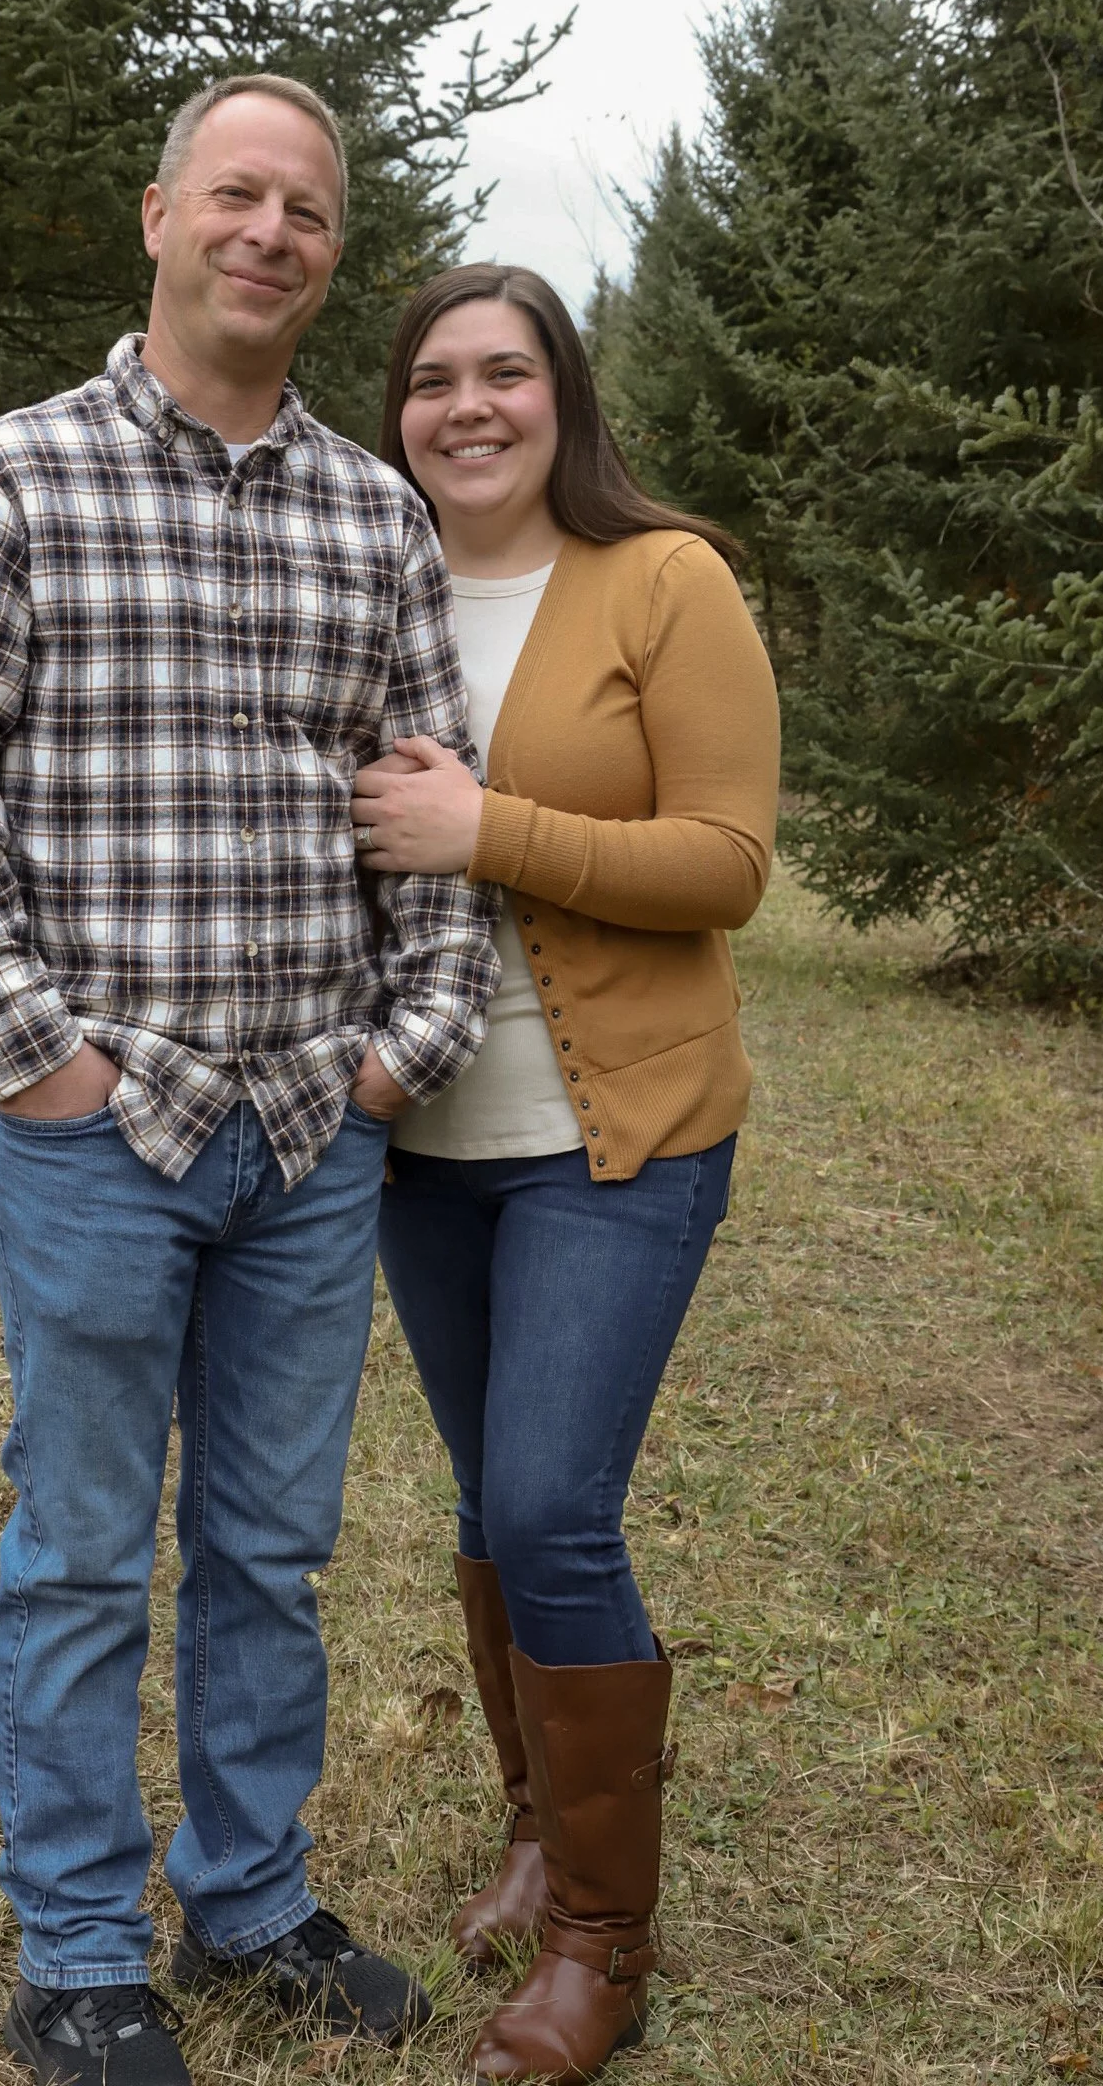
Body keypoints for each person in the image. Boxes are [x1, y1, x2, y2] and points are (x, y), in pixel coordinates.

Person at [0, 78, 501, 2086]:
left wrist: (401, 1058)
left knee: (265, 1549)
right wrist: (30, 1054)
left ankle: (242, 1899)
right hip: (94, 1133)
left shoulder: (367, 515)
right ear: (158, 215)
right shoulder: (8, 483)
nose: (269, 231)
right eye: (236, 192)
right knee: (73, 1545)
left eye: (305, 208)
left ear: (327, 254)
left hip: (310, 1133)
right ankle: (76, 1951)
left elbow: (431, 812)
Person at [350, 264, 780, 2083]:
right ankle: (540, 1820)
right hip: (413, 1136)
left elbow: (729, 861)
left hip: (619, 1139)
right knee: (481, 1498)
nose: (469, 407)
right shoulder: (365, 577)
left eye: (506, 373)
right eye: (435, 378)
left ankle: (609, 1939)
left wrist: (484, 831)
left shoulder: (661, 579)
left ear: (563, 396)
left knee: (548, 1507)